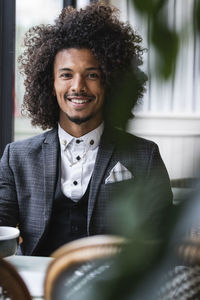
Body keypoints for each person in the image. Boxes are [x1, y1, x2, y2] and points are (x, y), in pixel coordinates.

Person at [0, 2, 172, 256]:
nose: (78, 87)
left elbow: (162, 240)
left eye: (92, 75)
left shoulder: (145, 156)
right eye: (66, 75)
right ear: (50, 83)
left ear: (110, 81)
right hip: (37, 290)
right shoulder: (17, 158)